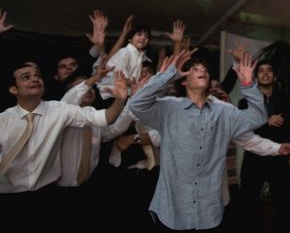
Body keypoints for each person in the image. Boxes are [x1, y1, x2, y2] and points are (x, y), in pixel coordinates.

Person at [128, 49, 268, 232]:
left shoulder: (223, 112)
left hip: (209, 212)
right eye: (195, 68)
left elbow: (258, 117)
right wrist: (168, 75)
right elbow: (135, 105)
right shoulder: (169, 108)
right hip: (172, 211)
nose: (202, 71)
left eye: (205, 69)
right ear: (184, 79)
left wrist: (249, 84)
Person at [0, 61, 127, 227]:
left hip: (49, 197)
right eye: (26, 77)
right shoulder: (3, 120)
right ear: (14, 89)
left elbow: (105, 118)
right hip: (7, 198)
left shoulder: (59, 110)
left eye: (37, 76)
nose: (35, 79)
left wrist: (119, 100)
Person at [239, 59, 290, 233]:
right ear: (256, 77)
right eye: (261, 71)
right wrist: (266, 122)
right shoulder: (245, 102)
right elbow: (243, 131)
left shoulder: (285, 100)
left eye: (269, 70)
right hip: (254, 160)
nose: (265, 73)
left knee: (284, 206)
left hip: (281, 159)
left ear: (275, 76)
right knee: (249, 205)